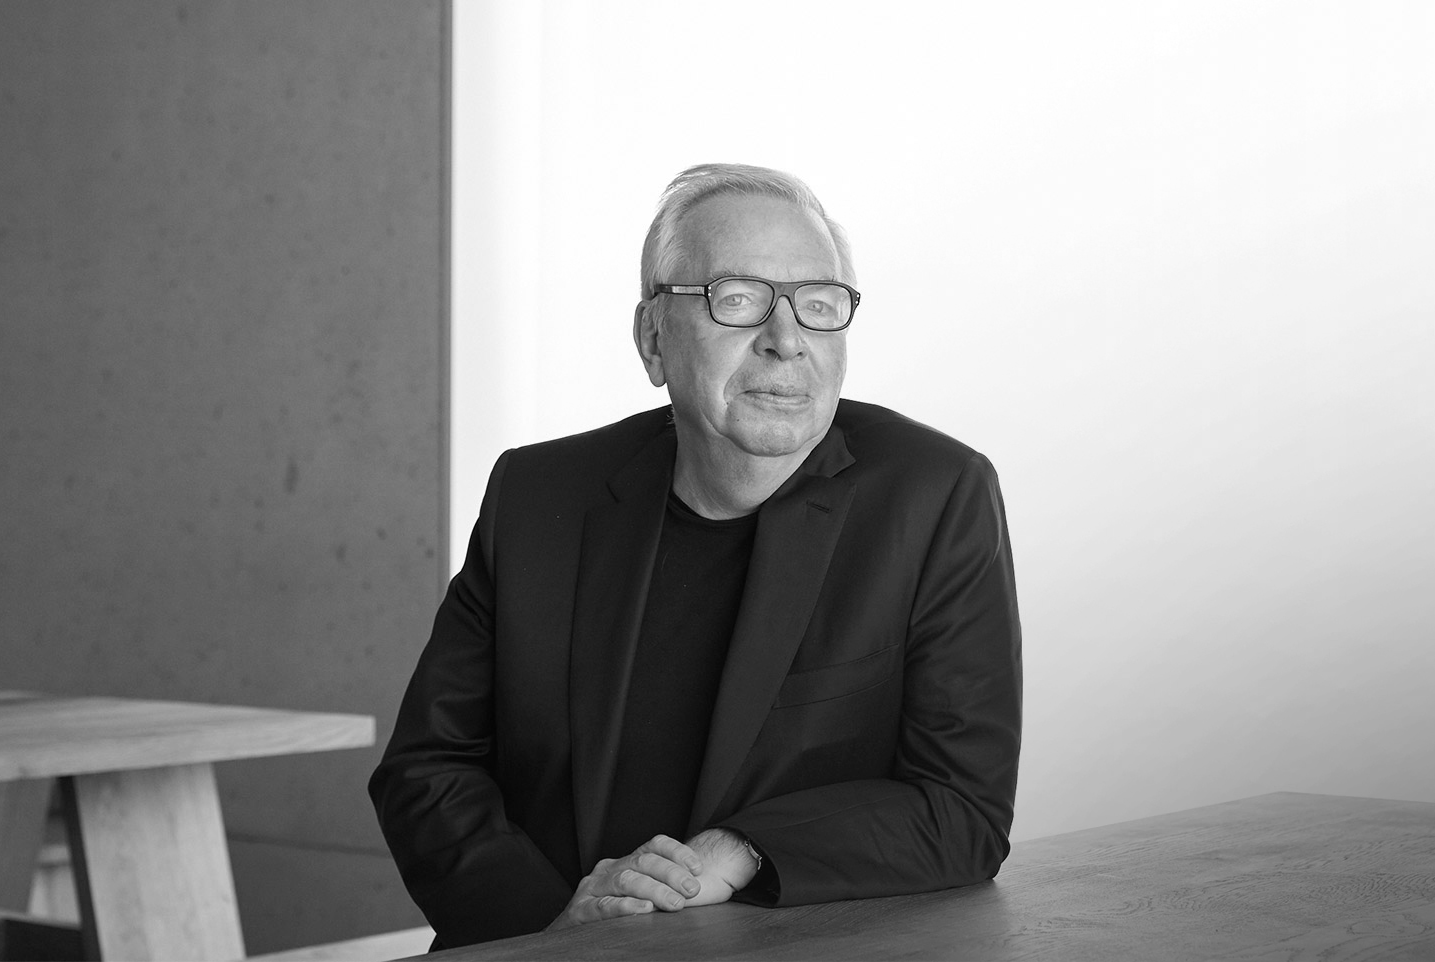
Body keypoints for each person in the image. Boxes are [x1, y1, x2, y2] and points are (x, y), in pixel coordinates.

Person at [370, 163, 1021, 950]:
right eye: (738, 298)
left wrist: (740, 850)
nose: (787, 341)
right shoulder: (539, 495)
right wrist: (553, 929)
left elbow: (961, 811)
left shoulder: (934, 497)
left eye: (818, 306)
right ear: (653, 338)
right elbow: (427, 769)